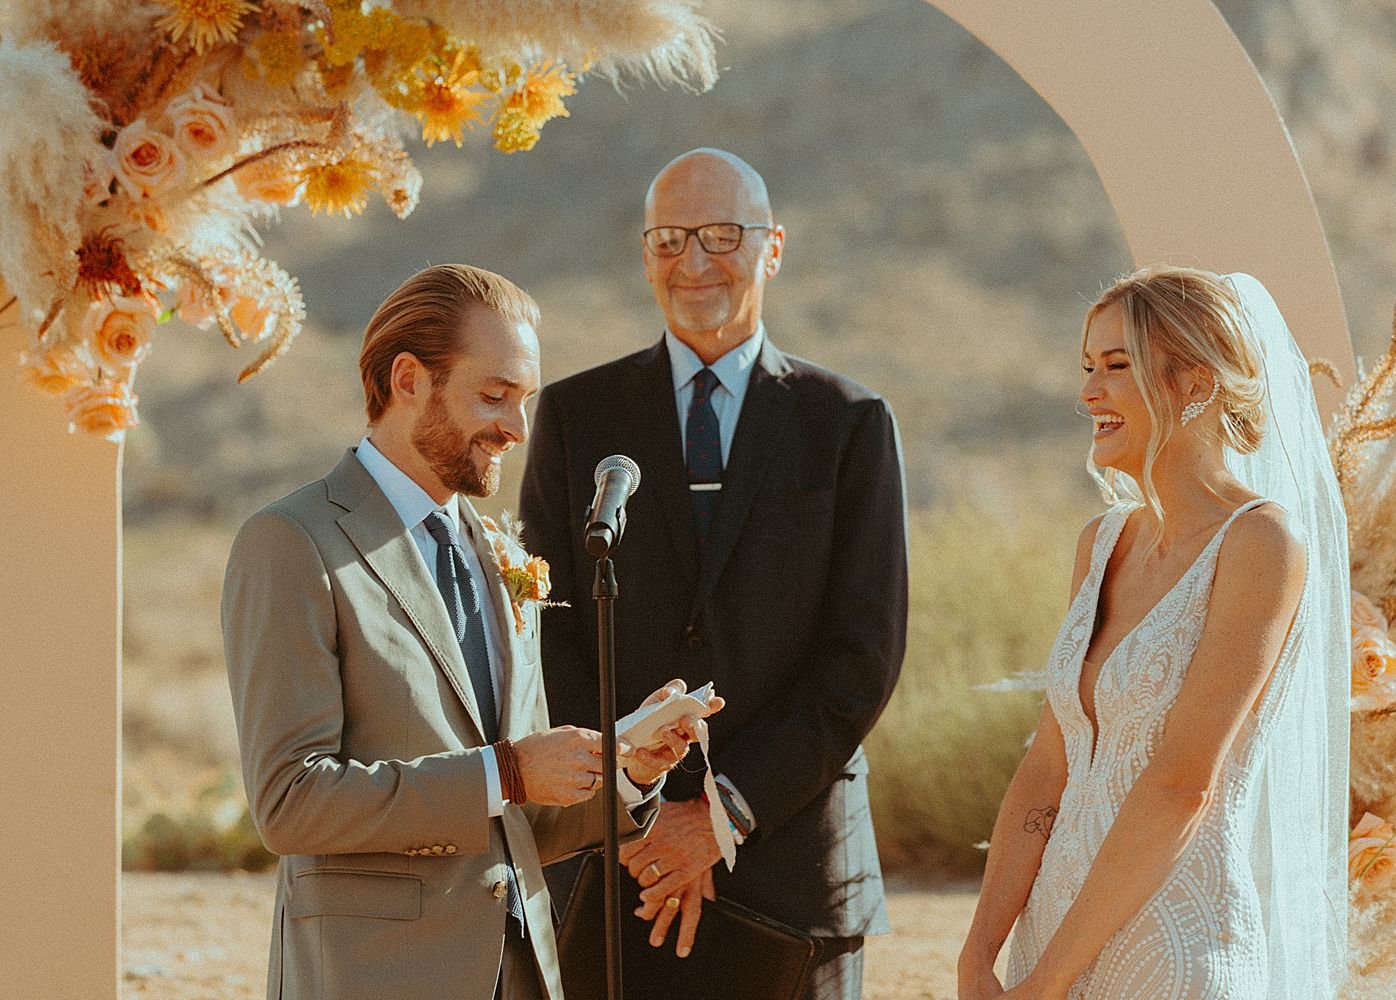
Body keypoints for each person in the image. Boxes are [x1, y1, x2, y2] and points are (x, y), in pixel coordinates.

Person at [221, 263, 720, 1000]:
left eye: (524, 401)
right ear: (407, 380)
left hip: (520, 974)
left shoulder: (496, 554)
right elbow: (291, 802)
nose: (517, 428)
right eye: (494, 396)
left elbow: (516, 825)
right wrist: (509, 770)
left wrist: (626, 770)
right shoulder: (293, 543)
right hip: (375, 978)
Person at [519, 148, 909, 999]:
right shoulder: (575, 415)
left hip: (795, 874)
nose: (693, 261)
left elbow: (863, 656)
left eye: (722, 235)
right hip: (613, 867)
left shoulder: (849, 423)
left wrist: (722, 813)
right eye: (668, 239)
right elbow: (544, 630)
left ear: (773, 248)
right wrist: (631, 806)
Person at [958, 267, 1349, 1000]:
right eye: (1086, 368)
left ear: (1194, 383)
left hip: (1174, 949)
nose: (1088, 393)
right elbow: (1049, 764)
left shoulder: (1260, 543)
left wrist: (1048, 981)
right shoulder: (1099, 543)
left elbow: (1182, 785)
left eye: (1115, 367)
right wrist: (981, 950)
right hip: (1051, 938)